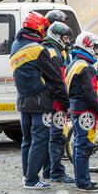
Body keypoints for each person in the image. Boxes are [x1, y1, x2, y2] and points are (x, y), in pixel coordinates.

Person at [10, 11, 69, 189]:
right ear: (39, 28)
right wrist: (64, 103)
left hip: (22, 101)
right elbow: (56, 77)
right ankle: (32, 179)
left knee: (26, 140)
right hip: (40, 103)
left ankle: (26, 175)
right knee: (40, 140)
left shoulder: (15, 46)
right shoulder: (38, 49)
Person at [65, 32, 98, 192]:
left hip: (76, 108)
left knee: (79, 145)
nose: (97, 51)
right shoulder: (85, 67)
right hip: (85, 111)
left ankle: (82, 178)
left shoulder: (74, 63)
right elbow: (89, 93)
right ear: (87, 46)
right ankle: (83, 183)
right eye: (95, 47)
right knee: (83, 146)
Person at [41, 21, 74, 184]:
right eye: (65, 38)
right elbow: (59, 82)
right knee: (56, 137)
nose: (67, 41)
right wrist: (66, 103)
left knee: (49, 137)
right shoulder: (55, 54)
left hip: (48, 101)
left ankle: (48, 171)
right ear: (57, 37)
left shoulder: (47, 50)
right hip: (56, 103)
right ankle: (57, 173)